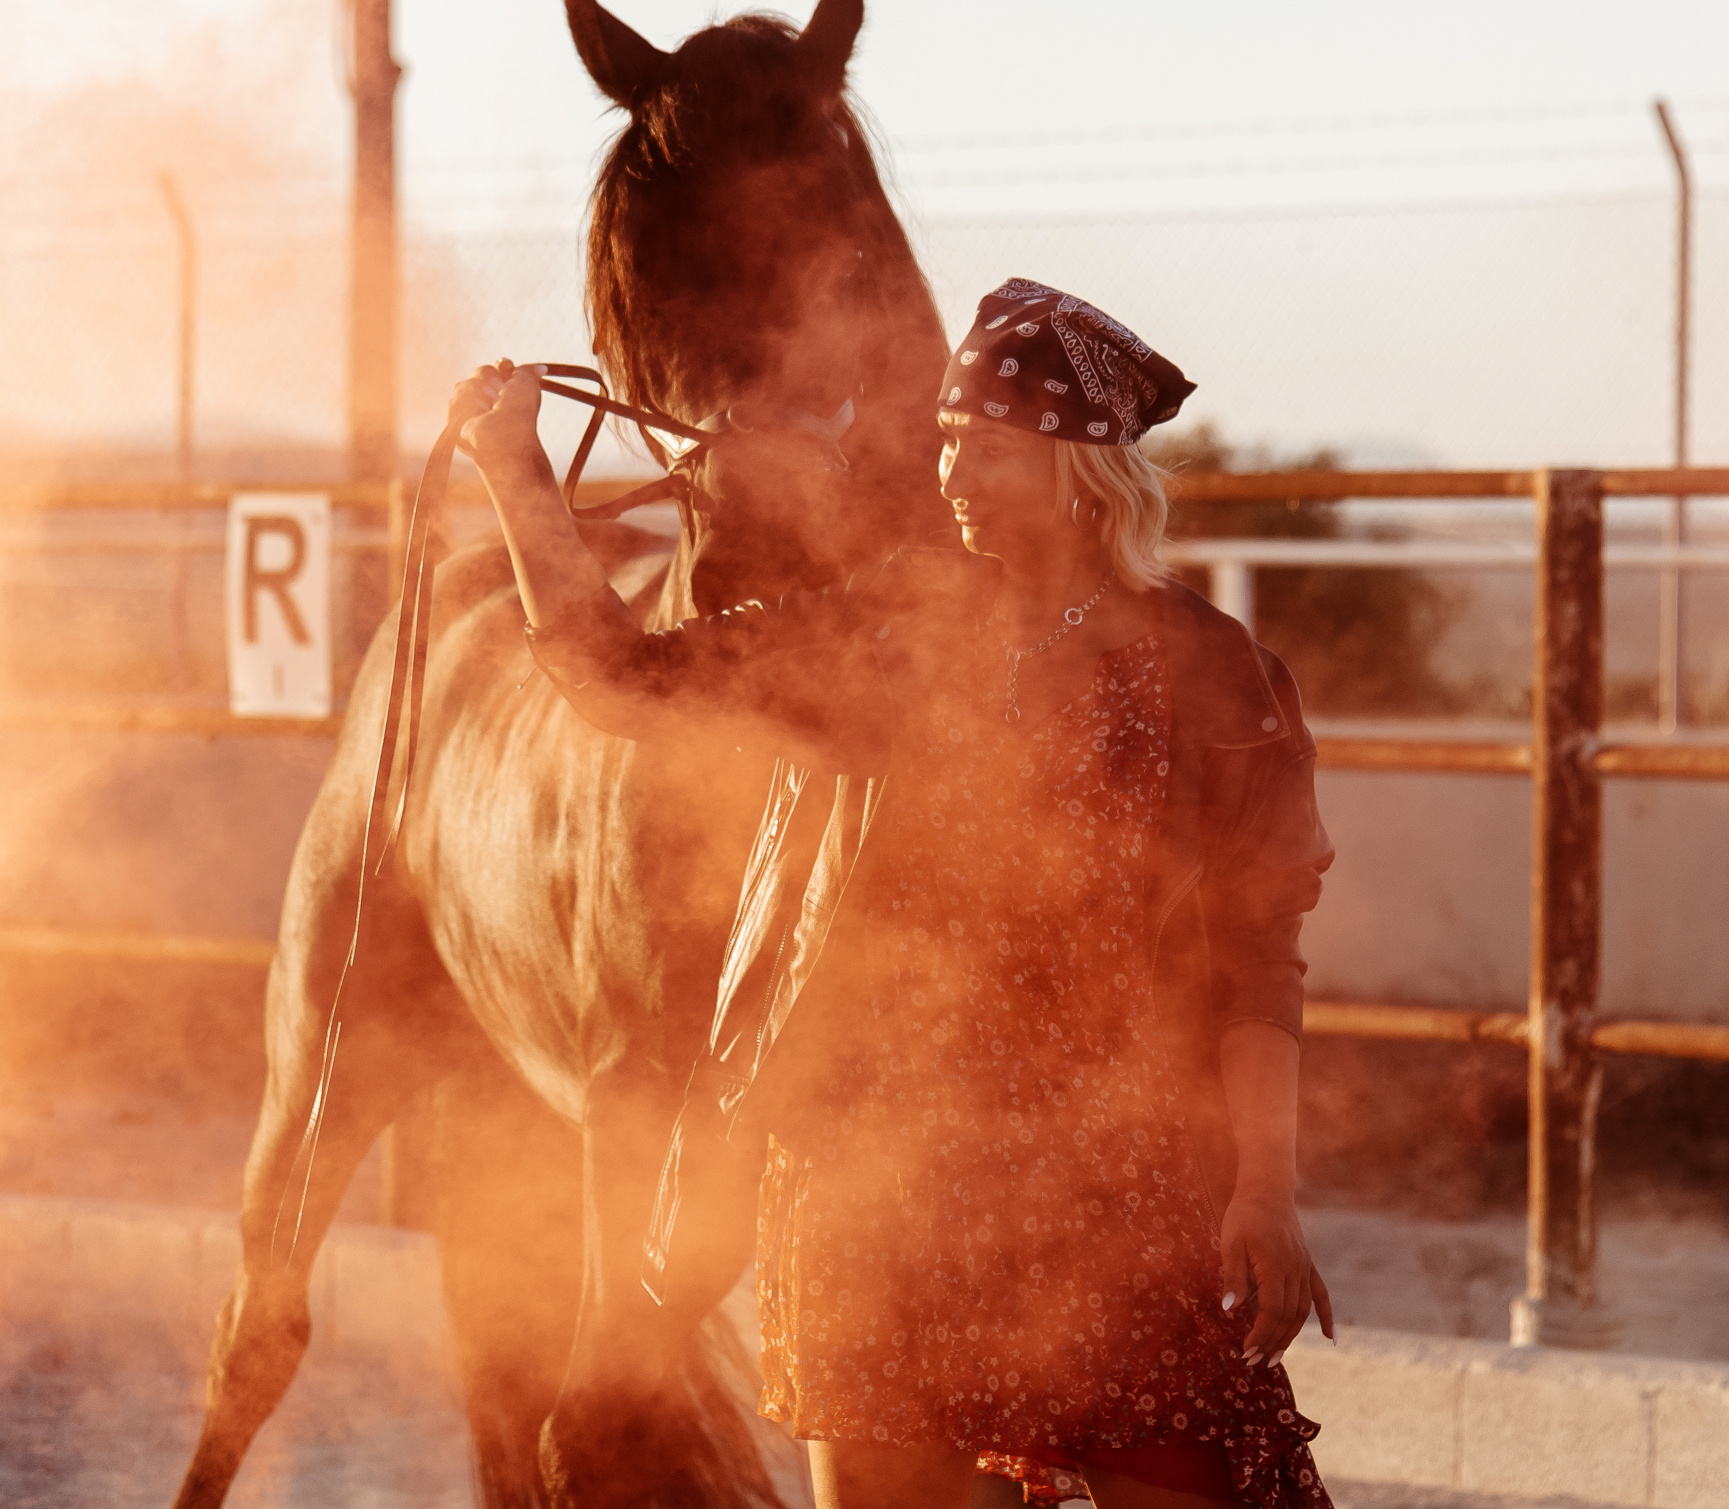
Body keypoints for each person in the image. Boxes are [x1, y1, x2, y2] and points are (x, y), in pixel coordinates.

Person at [450, 278, 1338, 1509]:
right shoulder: (889, 630)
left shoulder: (1214, 671)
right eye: (945, 442)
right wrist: (515, 472)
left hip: (1119, 1187)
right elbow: (620, 676)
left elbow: (1254, 960)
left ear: (1081, 473)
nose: (952, 475)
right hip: (873, 1180)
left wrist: (1266, 1190)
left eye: (988, 448)